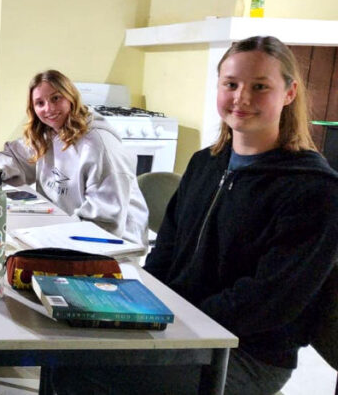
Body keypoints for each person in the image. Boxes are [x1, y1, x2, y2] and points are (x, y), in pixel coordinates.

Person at [55, 36, 338, 394]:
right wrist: (137, 307)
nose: (242, 97)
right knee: (67, 352)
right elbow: (165, 252)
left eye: (260, 86)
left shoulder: (314, 188)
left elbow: (270, 301)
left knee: (88, 373)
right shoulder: (205, 164)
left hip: (245, 353)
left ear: (289, 92)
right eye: (231, 84)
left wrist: (181, 320)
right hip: (180, 324)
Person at [0, 69, 148, 246]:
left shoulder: (98, 144)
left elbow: (105, 219)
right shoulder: (49, 134)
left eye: (56, 98)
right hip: (67, 230)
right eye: (40, 103)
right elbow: (15, 157)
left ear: (71, 97)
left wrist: (56, 237)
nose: (48, 109)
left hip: (114, 243)